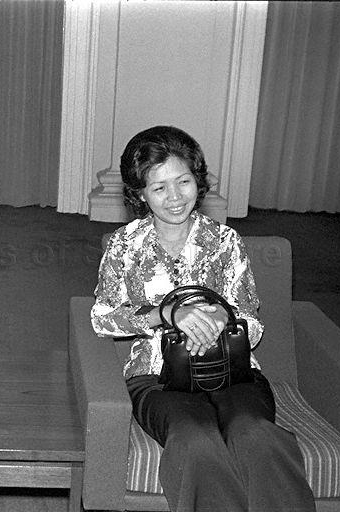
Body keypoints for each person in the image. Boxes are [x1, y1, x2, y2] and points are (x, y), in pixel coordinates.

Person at [91, 125, 314, 512]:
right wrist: (167, 313)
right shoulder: (123, 246)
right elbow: (103, 317)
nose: (175, 197)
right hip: (156, 378)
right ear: (140, 194)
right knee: (194, 438)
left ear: (198, 180)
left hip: (234, 371)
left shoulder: (227, 242)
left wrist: (222, 316)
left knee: (256, 434)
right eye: (159, 188)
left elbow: (253, 322)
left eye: (184, 181)